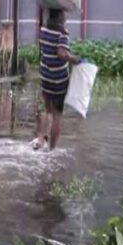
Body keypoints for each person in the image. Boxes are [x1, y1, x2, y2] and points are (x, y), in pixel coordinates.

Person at [33, 9, 81, 151]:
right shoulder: (62, 33)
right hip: (58, 79)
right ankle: (52, 150)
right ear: (61, 17)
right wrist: (74, 59)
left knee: (48, 110)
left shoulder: (43, 30)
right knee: (57, 115)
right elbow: (61, 52)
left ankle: (41, 140)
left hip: (45, 76)